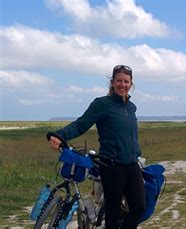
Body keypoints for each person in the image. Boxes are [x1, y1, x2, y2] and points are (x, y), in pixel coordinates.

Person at [48, 65, 145, 228]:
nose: (123, 84)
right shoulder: (102, 104)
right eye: (119, 81)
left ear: (131, 83)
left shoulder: (131, 107)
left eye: (126, 81)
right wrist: (58, 135)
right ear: (112, 82)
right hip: (111, 166)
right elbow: (80, 125)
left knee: (139, 208)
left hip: (132, 164)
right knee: (112, 213)